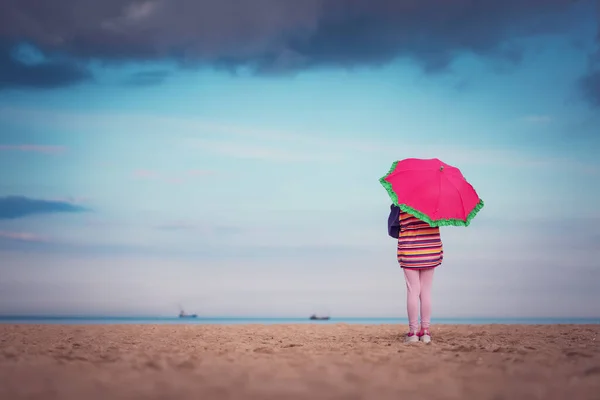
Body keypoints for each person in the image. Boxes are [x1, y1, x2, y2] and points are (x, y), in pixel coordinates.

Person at [388, 204, 443, 344]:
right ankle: (425, 332)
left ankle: (413, 332)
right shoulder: (435, 204)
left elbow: (392, 229)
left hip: (409, 252)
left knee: (413, 290)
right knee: (426, 291)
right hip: (430, 251)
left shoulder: (400, 204)